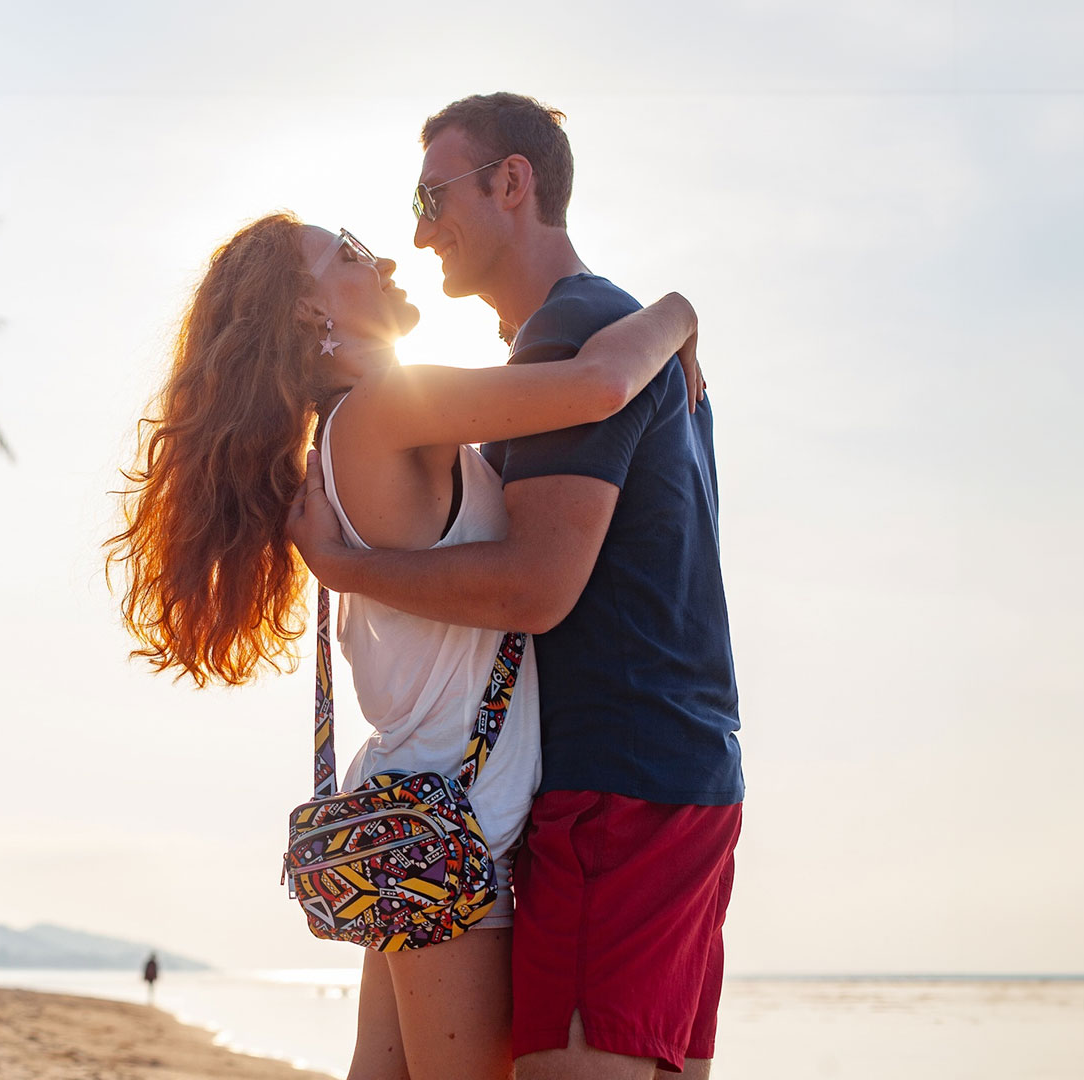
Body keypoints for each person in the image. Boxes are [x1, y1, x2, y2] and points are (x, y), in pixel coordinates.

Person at [108, 211, 701, 1080]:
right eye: (348, 253)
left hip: (415, 809)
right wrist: (681, 312)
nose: (382, 255)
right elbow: (603, 383)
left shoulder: (353, 431)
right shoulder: (386, 410)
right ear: (310, 313)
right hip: (459, 826)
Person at [286, 93, 746, 1080]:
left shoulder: (576, 336)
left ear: (511, 182)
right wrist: (677, 308)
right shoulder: (587, 338)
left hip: (611, 788)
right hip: (663, 777)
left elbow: (536, 588)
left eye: (430, 196)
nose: (417, 233)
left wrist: (350, 567)